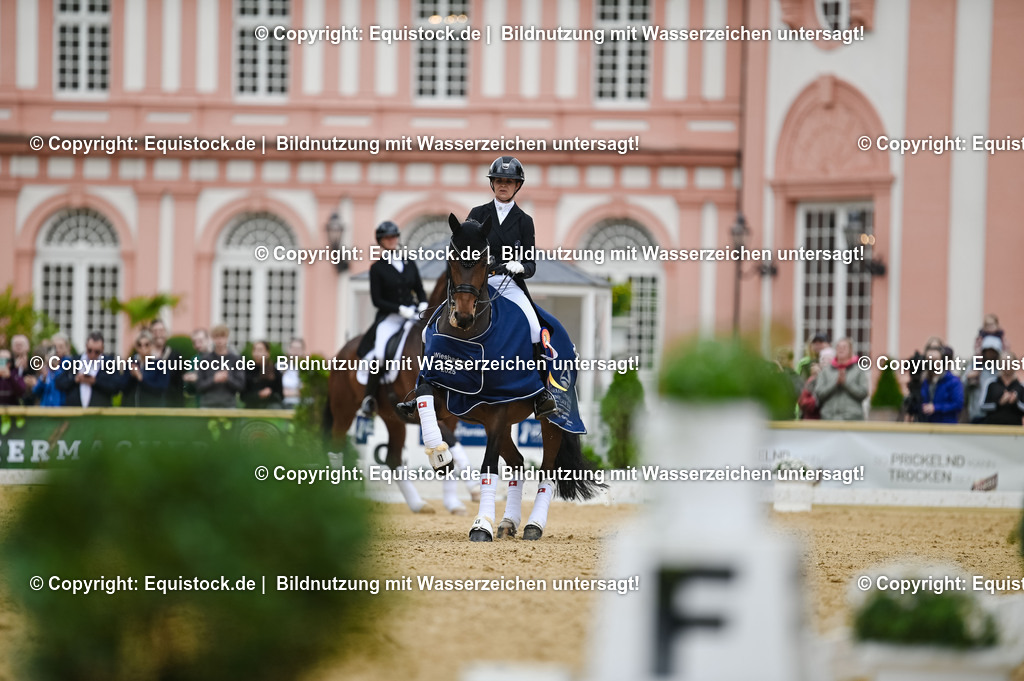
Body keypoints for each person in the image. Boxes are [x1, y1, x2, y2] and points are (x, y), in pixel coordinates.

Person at [468, 156, 555, 416]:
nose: (503, 185)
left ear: (517, 186)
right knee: (439, 322)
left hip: (509, 284)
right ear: (492, 184)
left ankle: (542, 392)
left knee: (534, 327)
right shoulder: (477, 214)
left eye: (509, 181)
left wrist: (521, 267)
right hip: (479, 283)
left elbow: (531, 263)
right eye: (498, 181)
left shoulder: (524, 221)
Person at [357, 221, 428, 417]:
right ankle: (369, 398)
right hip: (390, 318)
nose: (391, 240)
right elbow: (377, 300)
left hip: (413, 315)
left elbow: (420, 290)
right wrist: (399, 309)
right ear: (381, 241)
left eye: (394, 236)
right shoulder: (377, 268)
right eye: (387, 238)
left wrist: (422, 303)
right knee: (380, 354)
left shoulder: (409, 263)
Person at [55, 331, 123, 407]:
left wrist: (95, 382)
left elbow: (117, 388)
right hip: (75, 411)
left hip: (99, 413)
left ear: (102, 349)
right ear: (86, 346)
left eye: (97, 352)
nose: (92, 354)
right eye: (89, 350)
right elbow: (59, 383)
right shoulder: (75, 361)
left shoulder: (109, 363)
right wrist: (75, 379)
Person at [813, 338, 868, 421]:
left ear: (850, 351)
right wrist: (835, 383)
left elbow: (863, 393)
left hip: (853, 419)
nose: (841, 349)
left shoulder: (858, 371)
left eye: (844, 347)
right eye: (838, 347)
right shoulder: (825, 371)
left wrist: (846, 383)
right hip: (829, 418)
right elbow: (819, 393)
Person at [195, 325, 245, 408]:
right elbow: (199, 386)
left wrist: (228, 378)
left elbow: (241, 386)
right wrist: (213, 379)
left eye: (222, 337)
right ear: (212, 338)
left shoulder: (236, 360)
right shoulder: (205, 360)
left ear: (227, 338)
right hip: (208, 405)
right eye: (216, 337)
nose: (219, 340)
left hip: (229, 405)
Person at [911, 346, 964, 423]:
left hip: (946, 428)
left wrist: (936, 408)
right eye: (929, 360)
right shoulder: (924, 382)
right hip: (927, 427)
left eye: (935, 360)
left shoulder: (953, 381)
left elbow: (958, 404)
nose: (931, 363)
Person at [123, 329, 170, 408]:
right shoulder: (131, 363)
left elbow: (161, 388)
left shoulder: (160, 364)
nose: (143, 347)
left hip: (152, 410)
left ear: (152, 345)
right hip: (132, 410)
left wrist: (141, 378)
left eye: (146, 344)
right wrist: (130, 376)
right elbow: (123, 387)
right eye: (139, 344)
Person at [963, 335, 1003, 423]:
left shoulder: (1001, 371)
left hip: (995, 416)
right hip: (976, 415)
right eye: (988, 351)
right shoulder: (974, 367)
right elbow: (962, 389)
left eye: (993, 352)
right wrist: (969, 379)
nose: (990, 354)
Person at [980, 352, 1024, 425]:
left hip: (1015, 430)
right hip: (992, 428)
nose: (1007, 365)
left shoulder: (1021, 386)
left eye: (1010, 362)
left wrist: (1016, 402)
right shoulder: (991, 383)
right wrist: (999, 403)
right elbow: (982, 406)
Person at [150, 319, 185, 407]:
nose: (158, 334)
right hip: (149, 404)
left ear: (166, 333)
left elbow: (179, 384)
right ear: (150, 334)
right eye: (155, 331)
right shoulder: (144, 356)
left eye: (161, 331)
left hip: (170, 404)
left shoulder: (175, 356)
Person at [243, 340, 283, 409]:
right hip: (251, 410)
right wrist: (258, 395)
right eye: (255, 350)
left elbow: (280, 396)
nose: (257, 353)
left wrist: (270, 393)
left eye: (260, 350)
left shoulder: (275, 372)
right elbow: (243, 396)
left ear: (267, 353)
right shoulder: (248, 371)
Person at [182, 327, 210, 404]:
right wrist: (188, 381)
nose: (197, 345)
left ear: (208, 340)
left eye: (200, 341)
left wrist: (198, 378)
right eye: (195, 342)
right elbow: (189, 391)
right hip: (200, 404)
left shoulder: (218, 357)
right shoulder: (194, 359)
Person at [10, 333, 37, 404]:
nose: (19, 347)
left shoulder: (35, 364)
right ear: (12, 347)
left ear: (28, 347)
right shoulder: (8, 364)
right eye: (16, 344)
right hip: (11, 403)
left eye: (21, 344)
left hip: (31, 403)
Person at [281, 337, 305, 408]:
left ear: (303, 351)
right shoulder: (280, 367)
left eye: (298, 349)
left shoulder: (308, 369)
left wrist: (287, 392)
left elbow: (306, 391)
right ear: (288, 350)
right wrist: (297, 392)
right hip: (283, 405)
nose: (295, 352)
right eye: (293, 348)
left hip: (302, 405)